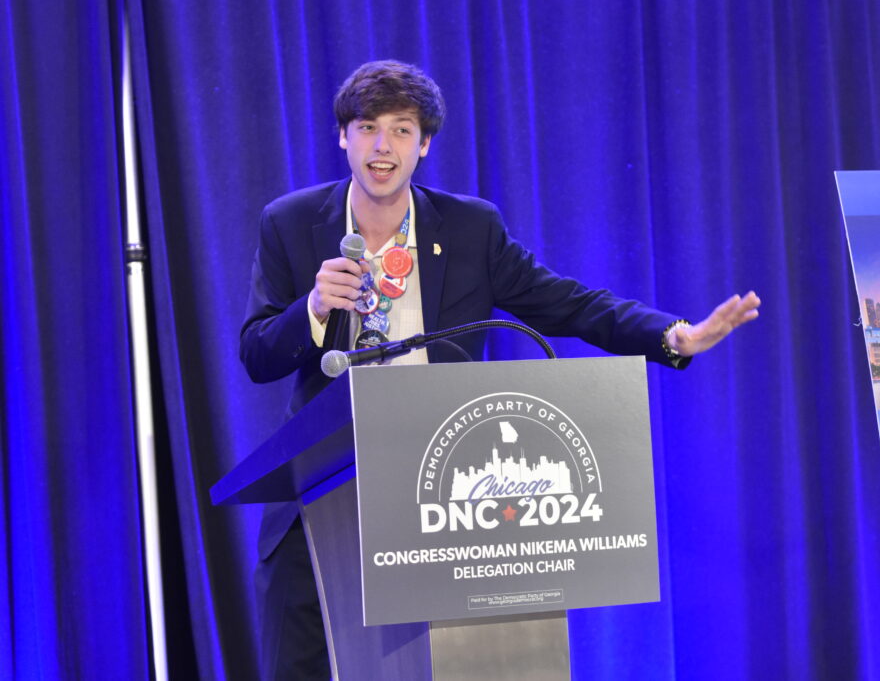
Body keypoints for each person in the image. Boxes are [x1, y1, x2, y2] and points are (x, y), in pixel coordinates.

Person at [240, 59, 760, 680]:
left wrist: (671, 335)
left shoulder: (468, 228)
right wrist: (315, 308)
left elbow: (563, 301)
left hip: (438, 492)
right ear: (343, 136)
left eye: (403, 130)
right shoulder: (292, 224)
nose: (384, 146)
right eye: (369, 127)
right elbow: (258, 353)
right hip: (328, 490)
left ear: (425, 144)